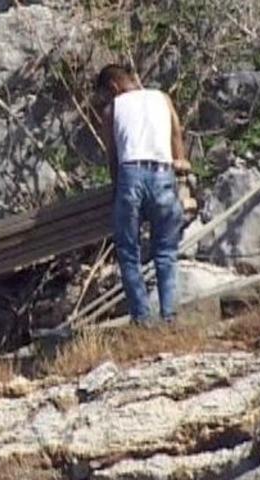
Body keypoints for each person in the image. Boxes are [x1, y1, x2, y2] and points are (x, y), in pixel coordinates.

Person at [96, 64, 186, 326]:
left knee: (128, 252)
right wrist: (180, 162)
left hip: (130, 175)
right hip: (162, 173)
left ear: (113, 87)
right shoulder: (162, 98)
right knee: (166, 251)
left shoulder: (113, 109)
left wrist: (117, 190)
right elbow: (176, 133)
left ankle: (142, 319)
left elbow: (113, 156)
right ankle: (169, 317)